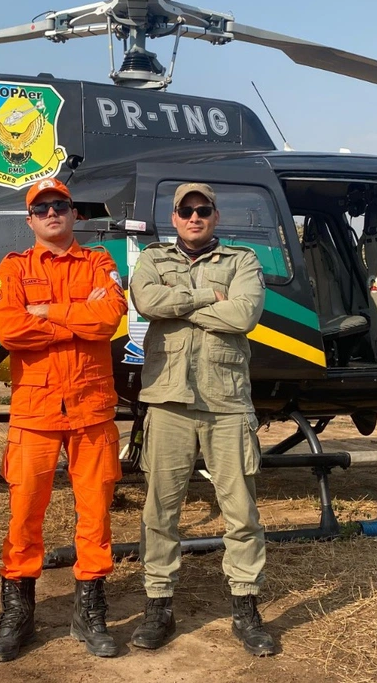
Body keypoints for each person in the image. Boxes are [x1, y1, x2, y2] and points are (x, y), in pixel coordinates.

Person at [128, 182, 275, 656]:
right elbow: (147, 303)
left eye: (203, 210)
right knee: (160, 511)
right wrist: (209, 297)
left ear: (215, 216)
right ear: (174, 218)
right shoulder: (152, 259)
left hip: (226, 404)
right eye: (186, 211)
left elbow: (245, 314)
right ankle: (158, 604)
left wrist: (182, 301)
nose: (194, 217)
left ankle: (246, 606)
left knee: (241, 512)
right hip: (168, 401)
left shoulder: (243, 261)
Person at [0, 178, 127, 661]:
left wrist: (45, 311)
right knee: (25, 516)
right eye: (41, 207)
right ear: (30, 220)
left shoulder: (99, 262)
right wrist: (74, 315)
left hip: (91, 409)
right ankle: (18, 613)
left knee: (96, 515)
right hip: (36, 411)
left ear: (74, 215)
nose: (51, 213)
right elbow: (9, 329)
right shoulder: (14, 266)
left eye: (60, 205)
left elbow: (108, 319)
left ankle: (89, 611)